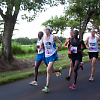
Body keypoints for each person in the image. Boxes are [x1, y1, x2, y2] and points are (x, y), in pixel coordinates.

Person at [39, 26, 63, 92]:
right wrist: (40, 48)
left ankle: (47, 87)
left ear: (49, 30)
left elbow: (60, 43)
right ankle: (58, 70)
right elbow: (42, 44)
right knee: (51, 70)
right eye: (45, 29)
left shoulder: (53, 37)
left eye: (47, 29)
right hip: (46, 55)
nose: (46, 31)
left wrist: (58, 48)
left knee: (48, 70)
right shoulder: (43, 38)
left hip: (53, 54)